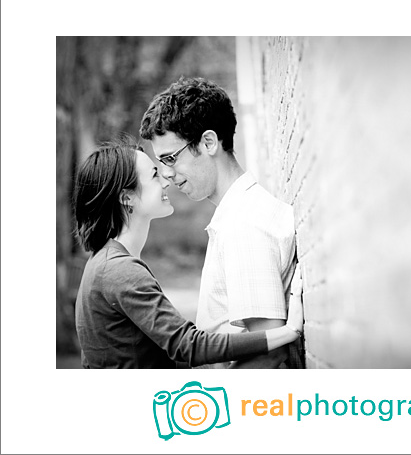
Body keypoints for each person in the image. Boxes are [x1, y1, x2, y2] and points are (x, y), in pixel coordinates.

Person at [73, 139, 303, 369]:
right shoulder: (119, 271)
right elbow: (187, 347)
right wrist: (287, 332)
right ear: (127, 198)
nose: (166, 181)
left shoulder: (106, 264)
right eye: (154, 175)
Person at [140, 77, 300, 369]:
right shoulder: (237, 216)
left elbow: (267, 355)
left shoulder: (244, 225)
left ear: (209, 142)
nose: (165, 174)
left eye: (170, 158)